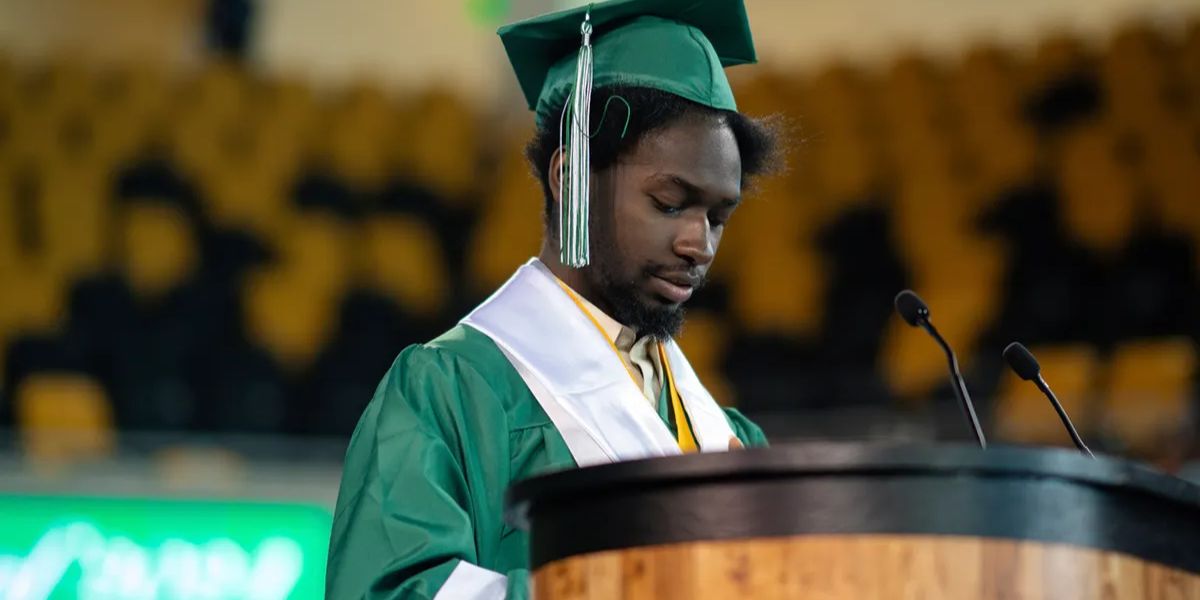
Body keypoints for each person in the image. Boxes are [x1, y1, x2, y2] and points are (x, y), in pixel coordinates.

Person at [325, 0, 781, 597]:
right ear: (570, 177)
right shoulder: (450, 392)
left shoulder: (730, 438)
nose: (699, 244)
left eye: (718, 216)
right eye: (670, 202)